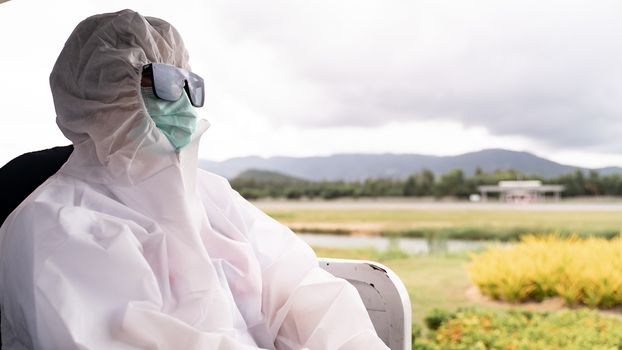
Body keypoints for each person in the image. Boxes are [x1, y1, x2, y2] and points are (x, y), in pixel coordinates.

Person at [0, 9, 388, 350]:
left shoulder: (211, 195)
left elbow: (305, 295)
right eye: (165, 81)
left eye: (189, 83)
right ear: (99, 96)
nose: (183, 100)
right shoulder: (59, 226)